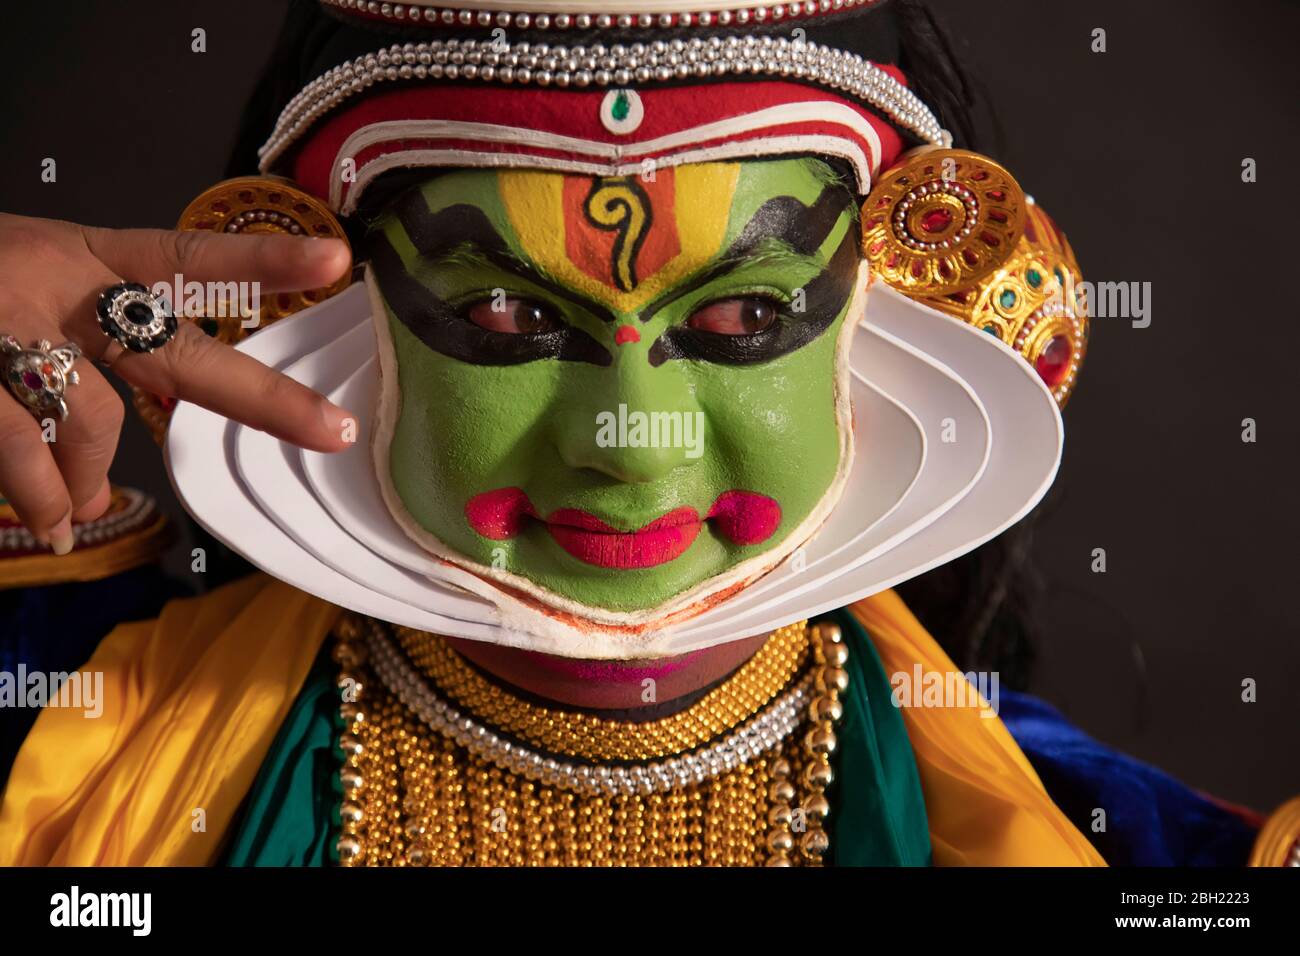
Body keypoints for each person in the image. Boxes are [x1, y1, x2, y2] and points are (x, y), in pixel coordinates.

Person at [0, 0, 1292, 867]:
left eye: (744, 312)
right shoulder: (62, 738)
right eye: (504, 310)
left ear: (901, 305)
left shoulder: (1121, 845)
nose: (629, 441)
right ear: (313, 301)